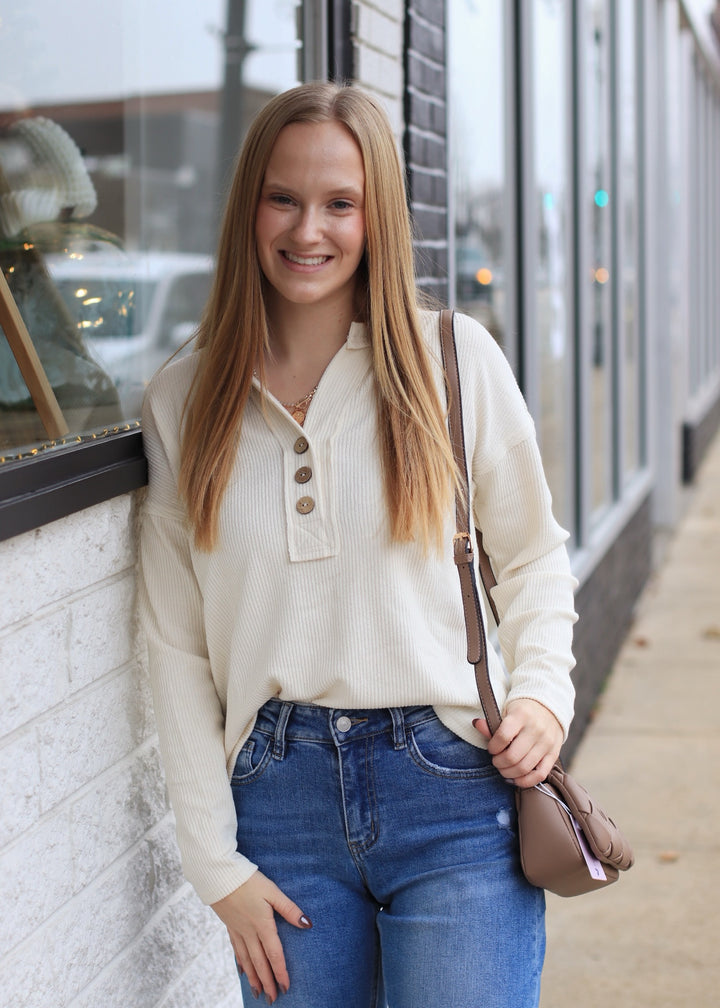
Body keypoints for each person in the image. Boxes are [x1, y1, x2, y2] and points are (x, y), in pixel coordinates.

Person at [138, 81, 577, 1008]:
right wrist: (214, 864)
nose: (310, 230)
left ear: (378, 215)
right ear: (247, 206)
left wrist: (541, 694)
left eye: (341, 202)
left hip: (453, 789)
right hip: (278, 806)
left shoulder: (452, 363)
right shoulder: (184, 399)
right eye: (283, 198)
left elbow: (534, 557)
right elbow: (176, 646)